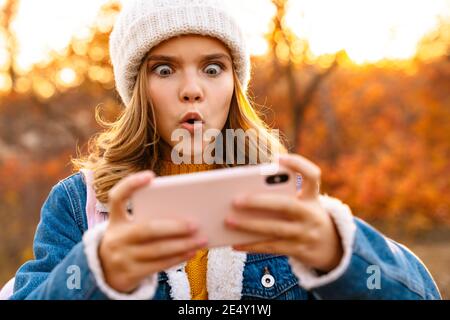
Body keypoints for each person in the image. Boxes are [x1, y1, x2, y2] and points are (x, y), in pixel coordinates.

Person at [6, 0, 441, 300]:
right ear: (137, 88)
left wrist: (336, 251)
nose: (192, 90)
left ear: (235, 83)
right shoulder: (79, 204)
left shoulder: (281, 194)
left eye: (213, 68)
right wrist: (97, 272)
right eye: (164, 69)